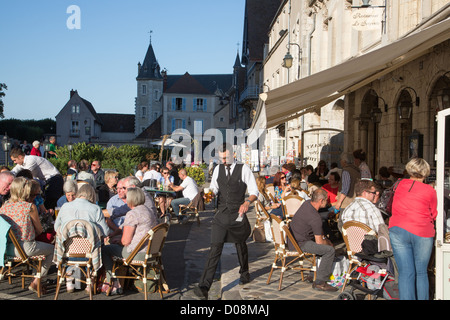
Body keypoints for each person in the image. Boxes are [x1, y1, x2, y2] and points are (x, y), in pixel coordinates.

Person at [193, 143, 258, 300]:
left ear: (233, 155)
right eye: (221, 158)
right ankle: (204, 286)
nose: (223, 161)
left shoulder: (244, 169)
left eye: (226, 158)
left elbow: (254, 191)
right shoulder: (217, 169)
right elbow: (214, 188)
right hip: (221, 215)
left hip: (238, 214)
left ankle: (244, 272)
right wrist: (210, 194)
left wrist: (247, 202)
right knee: (215, 248)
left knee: (241, 244)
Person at [388, 158, 437, 300]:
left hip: (398, 229)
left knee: (405, 273)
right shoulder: (429, 190)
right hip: (421, 230)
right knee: (421, 272)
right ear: (426, 172)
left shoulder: (399, 185)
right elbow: (433, 213)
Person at [0, 177, 54, 294]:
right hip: (25, 248)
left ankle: (37, 278)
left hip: (7, 249)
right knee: (52, 250)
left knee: (40, 249)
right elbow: (39, 230)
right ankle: (37, 281)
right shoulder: (29, 207)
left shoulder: (4, 207)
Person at [53, 183, 110, 293]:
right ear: (92, 195)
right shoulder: (95, 209)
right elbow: (105, 231)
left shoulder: (65, 207)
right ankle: (91, 279)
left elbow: (56, 228)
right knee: (99, 241)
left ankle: (71, 277)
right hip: (89, 254)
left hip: (67, 253)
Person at [101, 187, 158, 295]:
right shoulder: (148, 211)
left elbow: (126, 241)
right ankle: (116, 282)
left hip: (136, 253)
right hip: (150, 251)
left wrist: (119, 241)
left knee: (106, 250)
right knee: (115, 244)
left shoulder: (132, 214)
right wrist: (119, 238)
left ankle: (113, 283)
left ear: (130, 199)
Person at [288, 188, 337, 292]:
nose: (327, 203)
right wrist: (329, 243)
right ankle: (320, 282)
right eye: (326, 200)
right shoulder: (315, 218)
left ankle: (312, 274)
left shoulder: (306, 204)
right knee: (329, 250)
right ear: (321, 201)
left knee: (321, 245)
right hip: (300, 243)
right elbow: (320, 242)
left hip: (294, 239)